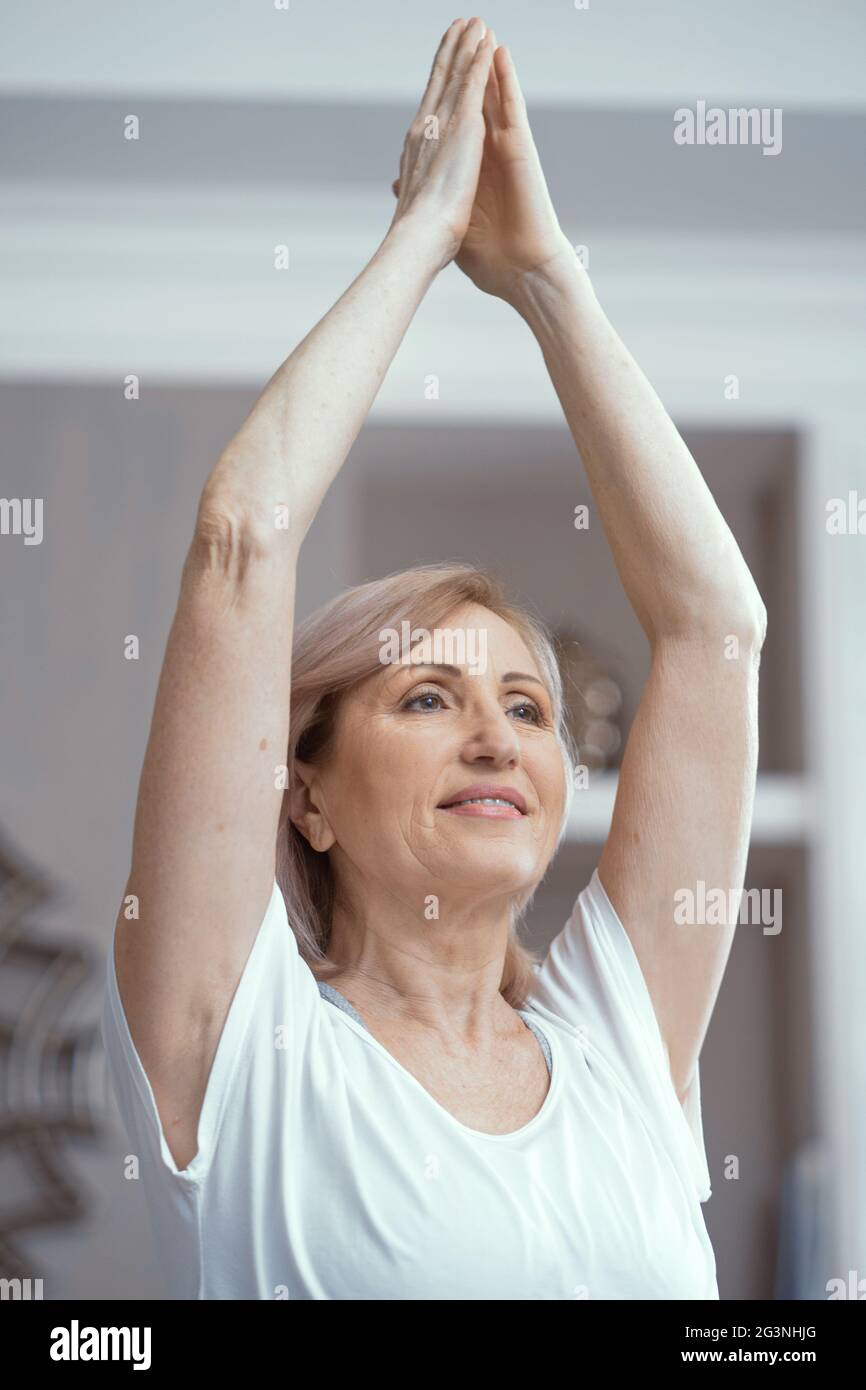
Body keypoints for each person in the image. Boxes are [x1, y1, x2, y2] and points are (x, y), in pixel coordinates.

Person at [102, 17, 766, 1300]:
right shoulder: (245, 1046)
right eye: (426, 693)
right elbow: (243, 534)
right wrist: (422, 231)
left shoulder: (616, 1048)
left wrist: (546, 279)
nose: (500, 737)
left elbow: (714, 629)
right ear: (304, 792)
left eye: (525, 704)